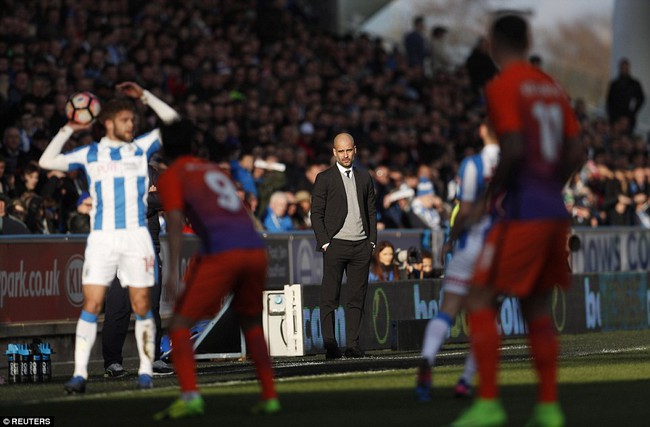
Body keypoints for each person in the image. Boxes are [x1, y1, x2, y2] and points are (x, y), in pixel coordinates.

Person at [449, 15, 583, 427]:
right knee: (536, 308)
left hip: (522, 209)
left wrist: (490, 198)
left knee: (480, 297)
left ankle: (488, 403)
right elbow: (577, 153)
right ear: (527, 40)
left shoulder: (502, 85)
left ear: (492, 44)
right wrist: (550, 185)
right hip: (553, 211)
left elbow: (513, 146)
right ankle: (548, 408)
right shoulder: (551, 87)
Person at [38, 81, 180, 393]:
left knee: (143, 305)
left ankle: (145, 369)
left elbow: (175, 123)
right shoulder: (90, 153)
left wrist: (145, 95)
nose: (132, 125)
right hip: (102, 239)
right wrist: (67, 128)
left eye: (134, 120)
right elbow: (47, 162)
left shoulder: (139, 149)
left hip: (136, 236)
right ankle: (79, 374)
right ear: (108, 123)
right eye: (127, 120)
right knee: (93, 304)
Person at [154, 119, 279, 420]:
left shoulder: (172, 175)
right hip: (254, 248)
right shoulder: (213, 169)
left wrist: (171, 272)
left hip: (225, 253)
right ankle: (270, 396)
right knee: (250, 322)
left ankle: (190, 397)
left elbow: (173, 222)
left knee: (180, 325)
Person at [415, 121, 499, 402]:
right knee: (485, 318)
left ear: (482, 131)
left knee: (447, 309)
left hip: (469, 246)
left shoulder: (472, 164)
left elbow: (464, 210)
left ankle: (427, 358)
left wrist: (452, 238)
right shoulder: (516, 165)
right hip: (496, 250)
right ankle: (464, 380)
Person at [101, 163, 173, 378]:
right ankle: (112, 362)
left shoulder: (150, 170)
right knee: (118, 308)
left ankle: (153, 359)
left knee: (151, 308)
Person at [311, 133, 377, 359]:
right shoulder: (324, 178)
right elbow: (316, 214)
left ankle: (352, 345)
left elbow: (371, 212)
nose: (345, 155)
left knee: (356, 298)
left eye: (348, 150)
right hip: (336, 245)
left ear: (355, 150)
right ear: (334, 152)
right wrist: (326, 243)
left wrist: (371, 242)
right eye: (341, 151)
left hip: (361, 246)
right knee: (330, 296)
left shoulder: (365, 177)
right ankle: (330, 343)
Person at [606, 58, 645, 135]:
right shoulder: (614, 84)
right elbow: (609, 102)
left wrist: (630, 114)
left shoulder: (635, 84)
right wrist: (614, 119)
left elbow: (641, 99)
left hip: (629, 119)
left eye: (625, 68)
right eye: (622, 68)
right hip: (615, 119)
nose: (624, 70)